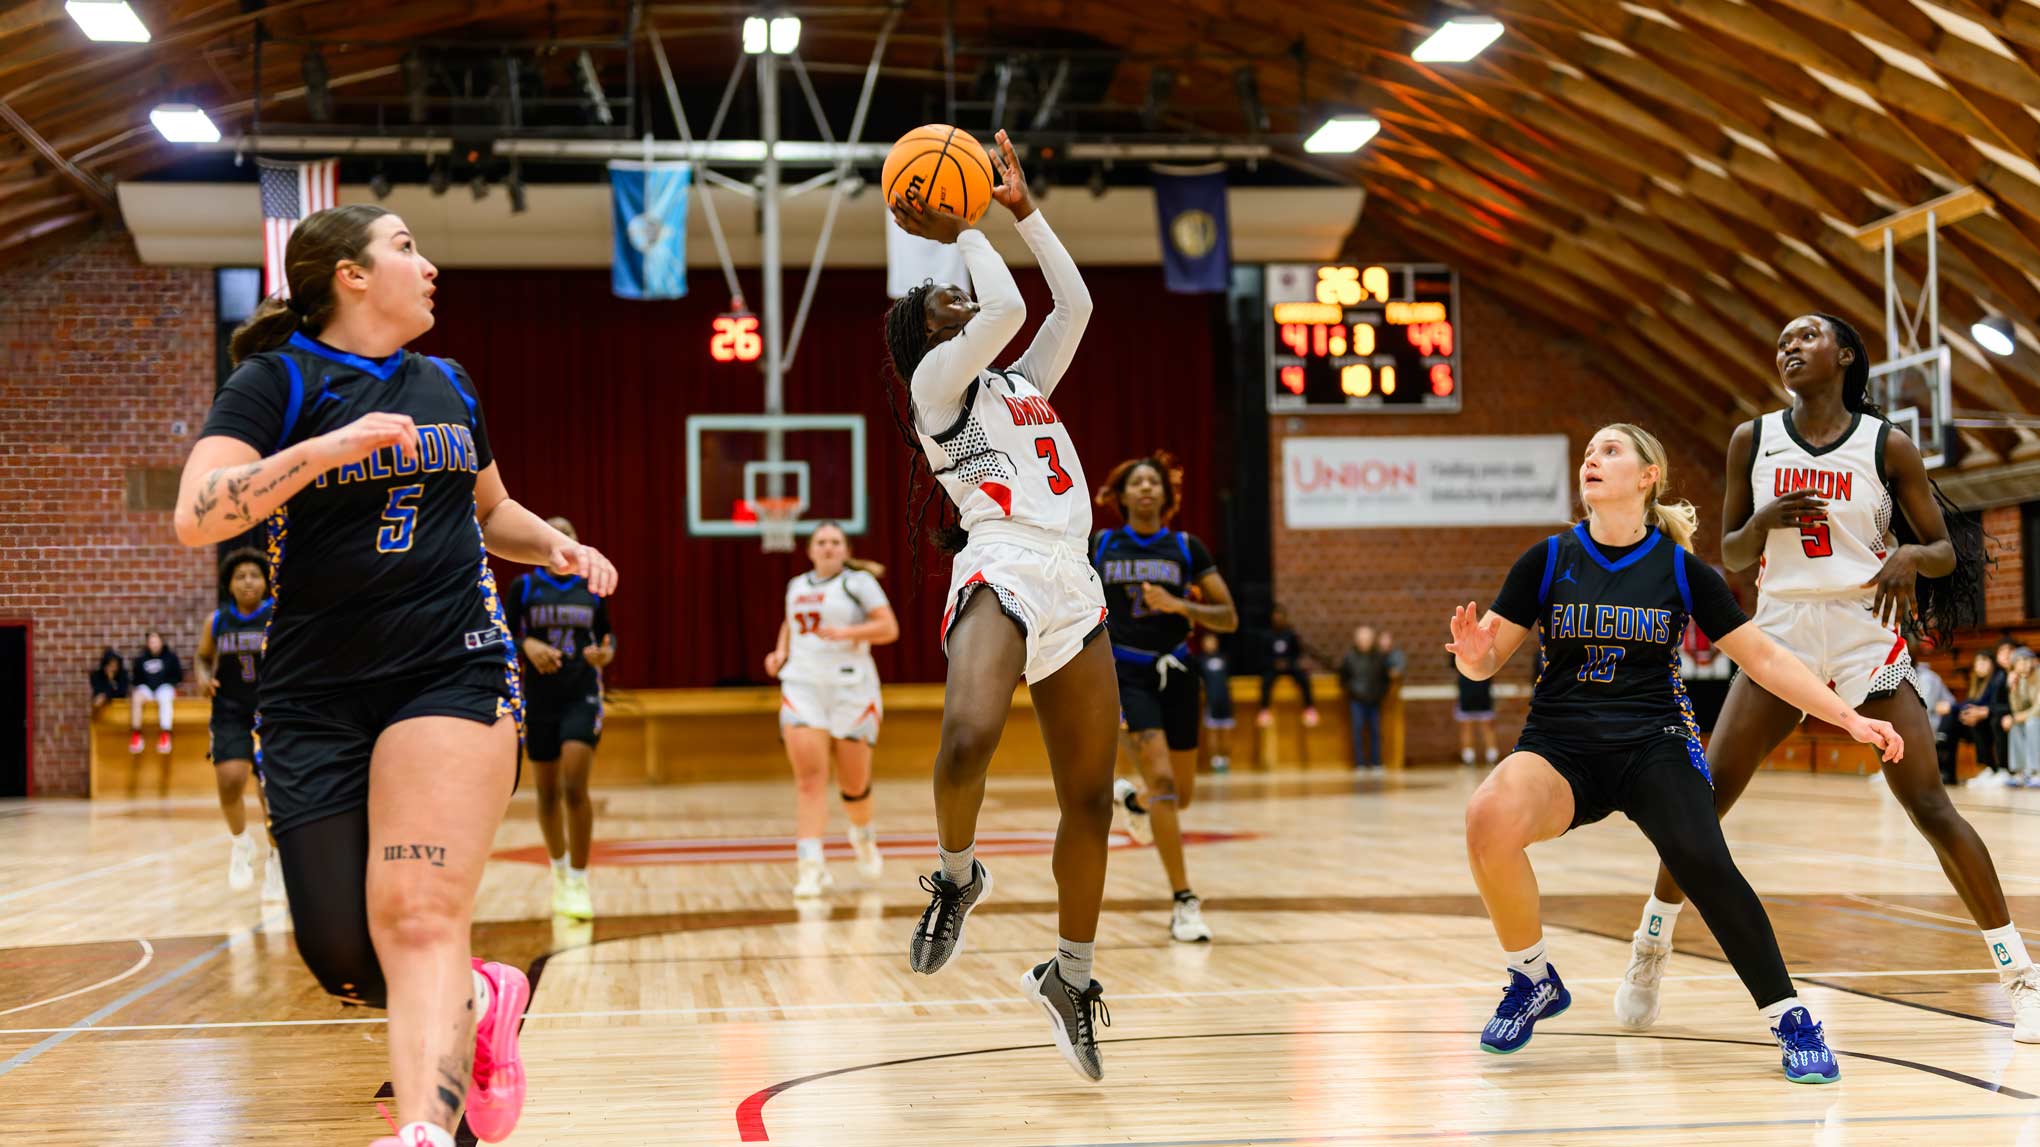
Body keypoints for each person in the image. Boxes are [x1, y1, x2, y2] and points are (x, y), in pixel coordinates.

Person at [175, 203, 617, 1147]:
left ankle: (419, 1129)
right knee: (339, 952)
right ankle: (482, 991)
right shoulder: (275, 381)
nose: (429, 264)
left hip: (447, 667)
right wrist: (329, 449)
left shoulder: (448, 383)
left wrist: (556, 548)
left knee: (416, 913)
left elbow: (489, 510)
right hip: (311, 691)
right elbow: (198, 514)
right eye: (406, 246)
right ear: (349, 274)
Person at [1616, 313, 2040, 1043]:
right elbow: (1733, 551)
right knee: (1703, 801)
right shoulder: (1753, 439)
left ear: (1844, 354)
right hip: (1779, 636)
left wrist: (1910, 557)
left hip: (1861, 637)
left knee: (1931, 806)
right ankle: (1650, 945)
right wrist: (1770, 515)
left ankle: (2020, 975)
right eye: (1781, 338)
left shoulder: (1887, 444)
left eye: (1806, 336)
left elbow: (1943, 549)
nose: (1788, 345)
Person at [1452, 421, 1896, 1082]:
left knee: (1702, 860)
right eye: (1587, 453)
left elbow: (1766, 656)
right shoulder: (1546, 560)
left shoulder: (1683, 571)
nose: (1591, 460)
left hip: (1652, 740)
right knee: (1487, 817)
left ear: (1647, 475)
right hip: (1561, 744)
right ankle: (1531, 978)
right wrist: (1474, 657)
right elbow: (1491, 659)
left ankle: (1789, 1014)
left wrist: (1846, 716)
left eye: (1609, 450)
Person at [884, 129, 1115, 1081]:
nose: (963, 292)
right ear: (930, 328)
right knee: (969, 734)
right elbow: (1013, 301)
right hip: (1004, 561)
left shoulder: (1020, 383)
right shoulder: (934, 385)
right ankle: (956, 872)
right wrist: (966, 220)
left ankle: (1072, 975)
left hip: (1074, 575)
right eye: (947, 295)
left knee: (1093, 798)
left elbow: (1074, 304)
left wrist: (1023, 210)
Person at [1091, 451, 1238, 943]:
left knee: (1180, 795)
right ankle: (1184, 900)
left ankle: (1132, 801)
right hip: (1126, 674)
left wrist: (1178, 604)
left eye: (1154, 482)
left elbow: (1228, 617)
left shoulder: (1186, 547)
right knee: (1164, 784)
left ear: (1166, 494)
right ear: (1121, 495)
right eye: (1138, 482)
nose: (1147, 488)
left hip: (1177, 672)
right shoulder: (1102, 544)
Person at [763, 521, 899, 898]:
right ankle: (811, 867)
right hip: (803, 686)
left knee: (853, 786)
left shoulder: (858, 584)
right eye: (821, 541)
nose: (827, 547)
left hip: (851, 689)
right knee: (809, 781)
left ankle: (863, 837)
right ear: (810, 550)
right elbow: (790, 624)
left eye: (835, 542)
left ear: (845, 550)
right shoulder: (797, 586)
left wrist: (849, 633)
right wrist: (781, 652)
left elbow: (889, 628)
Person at [511, 516, 615, 921]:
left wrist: (605, 654)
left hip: (581, 693)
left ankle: (579, 877)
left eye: (569, 533)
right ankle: (558, 871)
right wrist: (529, 644)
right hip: (538, 697)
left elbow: (607, 637)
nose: (563, 539)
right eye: (554, 532)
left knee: (575, 785)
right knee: (547, 792)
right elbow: (504, 632)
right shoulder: (526, 586)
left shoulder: (592, 588)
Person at [195, 548, 284, 900]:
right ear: (229, 584)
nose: (248, 581)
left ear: (266, 582)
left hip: (272, 707)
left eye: (255, 575)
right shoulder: (216, 621)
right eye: (240, 576)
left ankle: (276, 858)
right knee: (230, 779)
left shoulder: (277, 617)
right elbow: (203, 658)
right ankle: (241, 845)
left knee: (271, 792)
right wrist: (203, 677)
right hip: (230, 707)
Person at [1338, 626, 1394, 770]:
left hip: (1374, 699)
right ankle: (1360, 763)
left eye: (1367, 638)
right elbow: (1343, 678)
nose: (1365, 642)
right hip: (1357, 700)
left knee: (1375, 731)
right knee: (1357, 730)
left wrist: (1379, 693)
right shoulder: (1349, 657)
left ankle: (1376, 762)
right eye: (1362, 639)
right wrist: (1353, 692)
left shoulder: (1379, 657)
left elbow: (1385, 679)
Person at [1256, 605, 1318, 727]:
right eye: (1276, 617)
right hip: (1273, 666)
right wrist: (1274, 663)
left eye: (1281, 617)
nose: (1278, 619)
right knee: (1265, 681)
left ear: (1285, 618)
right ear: (1272, 618)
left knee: (1303, 678)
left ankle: (1309, 708)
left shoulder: (1290, 634)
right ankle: (1264, 710)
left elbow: (1297, 653)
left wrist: (1288, 662)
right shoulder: (1266, 636)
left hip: (1289, 665)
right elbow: (1262, 655)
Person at [129, 629, 183, 755]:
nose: (153, 644)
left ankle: (165, 734)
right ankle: (136, 735)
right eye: (151, 641)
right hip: (147, 689)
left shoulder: (170, 657)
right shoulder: (141, 659)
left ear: (161, 641)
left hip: (164, 687)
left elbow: (178, 675)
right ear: (147, 643)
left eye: (156, 641)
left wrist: (171, 684)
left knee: (165, 697)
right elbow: (136, 679)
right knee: (136, 696)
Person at [1960, 649, 2008, 787]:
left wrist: (1980, 712)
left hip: (1999, 716)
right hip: (1989, 716)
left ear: (1992, 663)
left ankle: (2001, 768)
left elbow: (1993, 705)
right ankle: (1988, 768)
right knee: (1968, 721)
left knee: (1990, 722)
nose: (1980, 665)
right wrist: (1965, 712)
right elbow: (1970, 703)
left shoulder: (1997, 679)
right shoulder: (1977, 683)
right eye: (1978, 662)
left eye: (1984, 661)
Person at [1909, 657, 1957, 784]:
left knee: (1911, 727)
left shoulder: (1927, 677)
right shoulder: (1906, 676)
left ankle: (1920, 772)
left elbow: (1925, 705)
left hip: (1942, 720)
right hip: (1930, 716)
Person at [1451, 651, 1500, 766]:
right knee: (1475, 726)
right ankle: (1485, 755)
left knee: (1477, 726)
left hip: (1476, 690)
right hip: (1475, 690)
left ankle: (1478, 755)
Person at [1195, 633, 1235, 773]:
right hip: (1211, 700)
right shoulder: (1200, 660)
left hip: (1225, 700)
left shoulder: (1224, 658)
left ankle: (1226, 760)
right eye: (1207, 641)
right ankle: (1215, 761)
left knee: (1226, 731)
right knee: (1212, 731)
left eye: (1212, 641)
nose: (1210, 644)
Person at [2008, 650, 2040, 788]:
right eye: (2018, 662)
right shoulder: (2021, 680)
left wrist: (2019, 717)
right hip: (2034, 718)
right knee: (2015, 726)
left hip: (2036, 718)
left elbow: (2038, 708)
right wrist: (2013, 689)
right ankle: (2021, 772)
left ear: (2034, 661)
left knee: (2031, 723)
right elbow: (2017, 709)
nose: (2023, 665)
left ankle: (2036, 771)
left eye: (2026, 660)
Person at [89, 648, 128, 713]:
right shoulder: (96, 676)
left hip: (119, 711)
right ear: (105, 665)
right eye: (110, 664)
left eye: (115, 664)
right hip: (102, 712)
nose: (113, 667)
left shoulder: (123, 676)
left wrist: (111, 680)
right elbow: (97, 694)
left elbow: (121, 693)